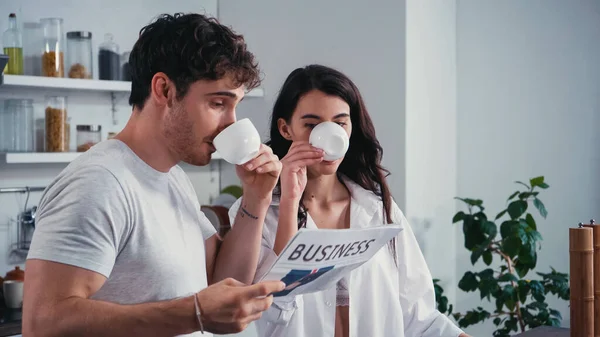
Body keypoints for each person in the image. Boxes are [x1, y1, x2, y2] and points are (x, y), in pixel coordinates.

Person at [23, 13, 285, 337]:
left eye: (235, 106)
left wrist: (256, 197)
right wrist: (194, 313)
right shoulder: (100, 182)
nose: (231, 122)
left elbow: (221, 283)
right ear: (163, 89)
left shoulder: (172, 177)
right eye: (218, 103)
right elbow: (43, 322)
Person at [227, 64, 471, 337]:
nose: (328, 136)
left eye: (340, 123)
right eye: (311, 125)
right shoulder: (256, 212)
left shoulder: (379, 209)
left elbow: (418, 315)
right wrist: (289, 203)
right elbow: (265, 314)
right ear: (285, 129)